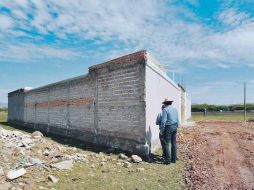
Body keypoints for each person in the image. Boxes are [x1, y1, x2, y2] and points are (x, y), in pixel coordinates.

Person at [160, 97, 179, 164]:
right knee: (173, 143)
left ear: (165, 103)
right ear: (171, 103)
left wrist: (162, 130)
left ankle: (167, 160)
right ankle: (173, 159)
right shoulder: (175, 110)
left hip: (168, 127)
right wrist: (177, 126)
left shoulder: (165, 110)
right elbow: (177, 119)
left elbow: (163, 121)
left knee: (166, 143)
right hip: (175, 126)